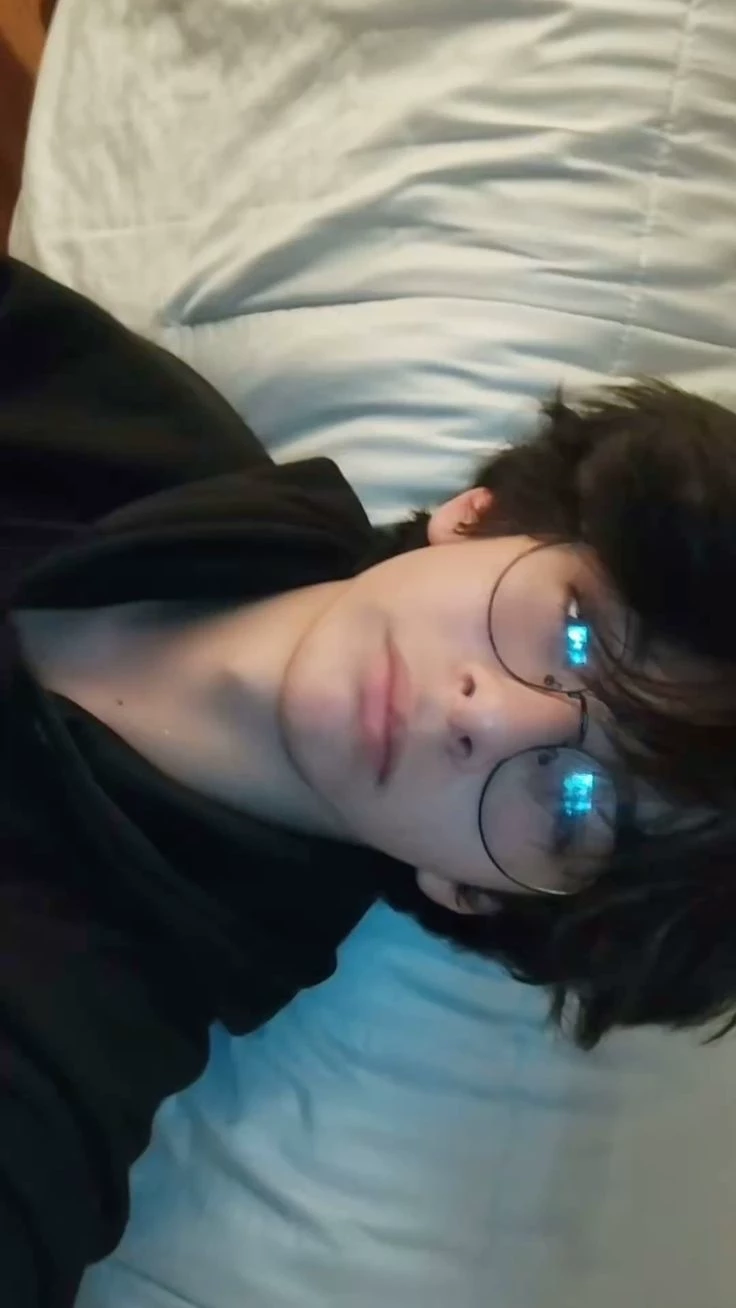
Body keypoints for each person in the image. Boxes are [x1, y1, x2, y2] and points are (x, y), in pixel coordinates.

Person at [1, 257, 735, 1305]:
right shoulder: (118, 423)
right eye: (578, 631)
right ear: (479, 515)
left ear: (474, 893)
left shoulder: (77, 1033)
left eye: (581, 803)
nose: (489, 717)